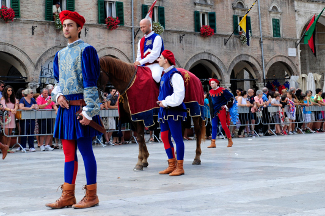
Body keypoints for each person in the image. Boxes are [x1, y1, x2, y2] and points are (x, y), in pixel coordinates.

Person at [46, 10, 101, 209]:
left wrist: (89, 111)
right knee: (68, 153)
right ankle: (68, 195)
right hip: (65, 108)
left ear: (79, 28)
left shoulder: (87, 50)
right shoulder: (59, 54)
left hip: (80, 108)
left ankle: (92, 195)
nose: (66, 28)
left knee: (86, 152)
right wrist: (58, 95)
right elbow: (57, 82)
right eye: (64, 25)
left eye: (70, 25)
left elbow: (91, 84)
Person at [157, 50, 186, 176]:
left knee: (177, 138)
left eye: (160, 57)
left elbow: (179, 95)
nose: (158, 59)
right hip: (164, 111)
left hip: (173, 110)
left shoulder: (175, 75)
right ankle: (171, 164)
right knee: (164, 137)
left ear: (166, 60)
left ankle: (180, 167)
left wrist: (166, 102)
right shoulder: (164, 75)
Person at [207, 78, 235, 148]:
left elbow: (231, 98)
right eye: (210, 83)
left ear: (217, 83)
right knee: (213, 126)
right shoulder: (210, 92)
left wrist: (226, 105)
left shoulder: (223, 90)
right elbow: (210, 102)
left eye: (213, 83)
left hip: (221, 109)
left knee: (224, 125)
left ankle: (230, 140)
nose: (211, 85)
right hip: (214, 110)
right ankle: (213, 142)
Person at [134, 19, 164, 83]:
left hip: (156, 64)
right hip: (144, 66)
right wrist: (136, 64)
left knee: (156, 77)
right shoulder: (141, 41)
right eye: (141, 27)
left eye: (144, 27)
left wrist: (140, 62)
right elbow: (139, 56)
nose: (142, 29)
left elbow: (154, 55)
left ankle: (162, 91)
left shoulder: (157, 37)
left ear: (149, 25)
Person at [0, 85, 18, 154]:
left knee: (10, 133)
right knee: (5, 133)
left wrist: (15, 109)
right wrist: (11, 109)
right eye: (9, 90)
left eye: (11, 90)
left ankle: (7, 148)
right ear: (6, 91)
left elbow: (16, 104)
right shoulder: (3, 98)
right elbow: (3, 106)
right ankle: (4, 147)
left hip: (12, 115)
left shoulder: (13, 98)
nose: (10, 92)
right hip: (6, 116)